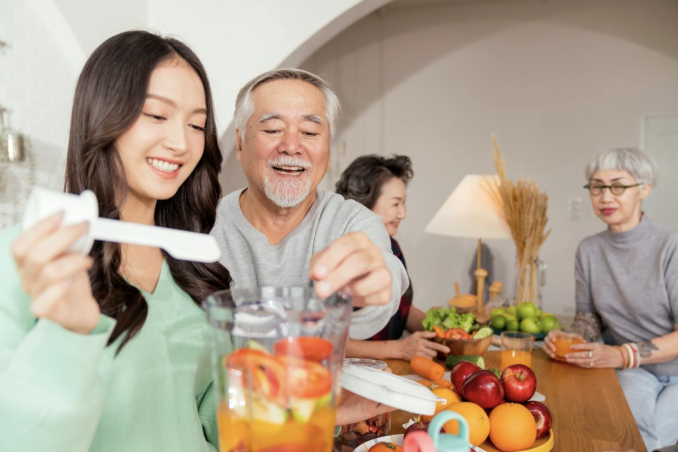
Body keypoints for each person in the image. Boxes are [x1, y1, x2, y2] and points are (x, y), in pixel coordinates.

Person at [0, 31, 233, 451]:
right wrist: (67, 335)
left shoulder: (193, 269)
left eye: (197, 124)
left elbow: (223, 426)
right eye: (156, 115)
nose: (182, 143)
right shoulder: (22, 260)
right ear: (103, 116)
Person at [211, 69, 409, 340]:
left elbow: (384, 278)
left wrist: (373, 282)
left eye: (310, 132)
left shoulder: (353, 222)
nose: (291, 146)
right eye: (273, 129)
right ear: (240, 142)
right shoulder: (203, 225)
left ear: (328, 150)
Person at [542, 148, 678, 450]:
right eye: (597, 186)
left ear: (644, 189)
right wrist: (569, 338)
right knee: (626, 431)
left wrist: (621, 355)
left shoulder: (671, 246)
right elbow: (588, 318)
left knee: (652, 433)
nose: (606, 197)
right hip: (637, 371)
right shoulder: (589, 250)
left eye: (618, 186)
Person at [335, 154, 450, 361]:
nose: (403, 213)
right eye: (395, 204)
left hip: (389, 370)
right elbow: (326, 338)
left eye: (404, 203)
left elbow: (402, 311)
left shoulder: (392, 247)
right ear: (362, 205)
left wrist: (445, 330)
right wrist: (398, 349)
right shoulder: (338, 258)